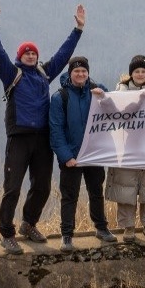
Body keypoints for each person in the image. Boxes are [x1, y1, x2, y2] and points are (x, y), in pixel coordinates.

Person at [0, 1, 85, 255]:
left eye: (33, 53)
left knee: (42, 187)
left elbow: (63, 56)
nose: (31, 55)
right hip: (19, 138)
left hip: (42, 140)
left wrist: (78, 30)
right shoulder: (12, 73)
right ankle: (7, 233)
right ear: (20, 57)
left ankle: (29, 224)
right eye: (26, 53)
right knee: (13, 187)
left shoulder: (43, 73)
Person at [48, 56, 113, 252]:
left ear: (88, 72)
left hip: (93, 154)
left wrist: (105, 96)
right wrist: (66, 157)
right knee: (69, 196)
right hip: (72, 156)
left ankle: (101, 228)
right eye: (77, 71)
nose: (80, 74)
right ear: (70, 73)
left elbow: (114, 108)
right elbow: (56, 130)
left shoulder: (96, 91)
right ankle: (66, 235)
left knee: (96, 192)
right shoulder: (60, 97)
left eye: (84, 71)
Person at [105, 55, 145, 242]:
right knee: (127, 188)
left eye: (143, 71)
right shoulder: (120, 93)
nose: (140, 74)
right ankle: (128, 227)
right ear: (131, 74)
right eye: (137, 71)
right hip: (126, 147)